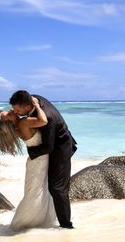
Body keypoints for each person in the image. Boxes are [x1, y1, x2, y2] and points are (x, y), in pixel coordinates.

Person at [9, 90, 77, 229]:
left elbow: (47, 147)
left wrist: (30, 150)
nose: (15, 112)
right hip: (52, 144)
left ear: (28, 107)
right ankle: (46, 216)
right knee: (48, 185)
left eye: (17, 110)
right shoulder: (33, 99)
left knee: (57, 188)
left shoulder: (47, 119)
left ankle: (66, 226)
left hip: (61, 148)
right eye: (13, 109)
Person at [0, 97, 56, 230]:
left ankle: (38, 219)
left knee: (36, 191)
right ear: (8, 122)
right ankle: (23, 222)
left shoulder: (20, 124)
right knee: (35, 192)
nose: (10, 111)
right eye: (8, 115)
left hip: (37, 160)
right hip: (39, 161)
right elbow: (43, 121)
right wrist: (37, 106)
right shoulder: (24, 123)